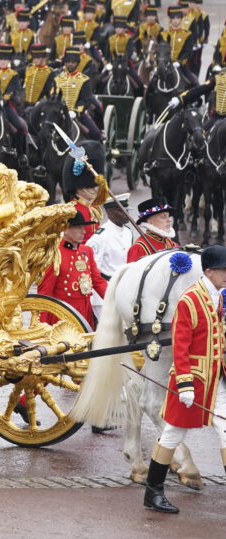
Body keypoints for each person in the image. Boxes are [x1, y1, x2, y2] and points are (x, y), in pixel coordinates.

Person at [142, 245, 226, 514]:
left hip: (217, 380)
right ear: (210, 271)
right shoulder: (190, 299)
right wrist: (186, 385)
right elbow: (180, 346)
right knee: (173, 433)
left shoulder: (219, 297)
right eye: (223, 270)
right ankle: (153, 492)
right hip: (193, 379)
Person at [37, 211, 108, 327]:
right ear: (65, 229)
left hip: (85, 312)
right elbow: (45, 293)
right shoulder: (54, 254)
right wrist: (41, 325)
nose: (84, 231)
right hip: (62, 315)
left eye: (84, 227)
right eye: (78, 228)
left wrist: (113, 300)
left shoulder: (87, 251)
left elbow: (98, 281)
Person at [87, 195, 133, 280]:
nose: (126, 214)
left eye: (127, 210)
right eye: (122, 211)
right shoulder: (100, 237)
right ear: (110, 212)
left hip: (126, 282)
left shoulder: (128, 232)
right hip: (108, 284)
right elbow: (92, 270)